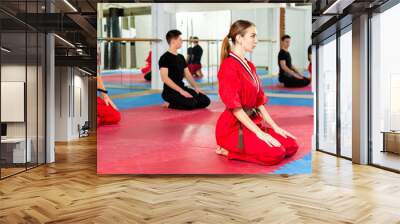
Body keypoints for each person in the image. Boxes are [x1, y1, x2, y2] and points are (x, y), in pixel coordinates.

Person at [215, 20, 298, 165]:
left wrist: (275, 127)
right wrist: (259, 133)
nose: (256, 40)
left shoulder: (250, 65)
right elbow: (235, 108)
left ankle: (259, 139)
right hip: (233, 128)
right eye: (253, 36)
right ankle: (229, 152)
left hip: (253, 121)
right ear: (239, 38)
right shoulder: (228, 66)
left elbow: (259, 102)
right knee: (276, 154)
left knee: (291, 146)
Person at [158, 30, 210, 110]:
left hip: (182, 88)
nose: (181, 41)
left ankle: (183, 101)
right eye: (180, 39)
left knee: (205, 101)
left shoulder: (181, 57)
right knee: (191, 103)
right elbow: (164, 78)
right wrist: (180, 91)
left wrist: (196, 88)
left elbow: (188, 75)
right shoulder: (164, 58)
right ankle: (169, 104)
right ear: (173, 41)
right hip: (170, 92)